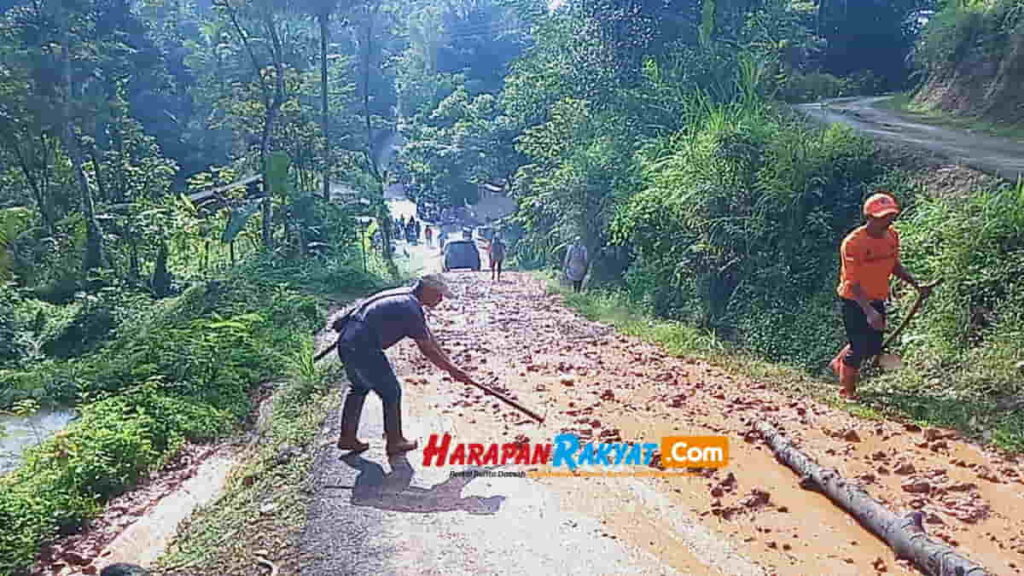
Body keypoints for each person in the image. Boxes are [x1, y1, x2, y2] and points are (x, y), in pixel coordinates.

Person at [334, 275, 474, 454]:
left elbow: (429, 337)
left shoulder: (404, 297)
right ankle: (395, 441)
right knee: (391, 392)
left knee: (359, 387)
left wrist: (452, 366)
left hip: (347, 342)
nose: (441, 300)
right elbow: (427, 350)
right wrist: (452, 371)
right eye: (439, 295)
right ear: (428, 290)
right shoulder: (410, 308)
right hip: (364, 347)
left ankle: (347, 438)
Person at [829, 192, 931, 400]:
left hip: (877, 297)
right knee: (858, 348)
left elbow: (893, 264)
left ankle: (838, 363)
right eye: (882, 216)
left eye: (890, 216)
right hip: (854, 300)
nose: (887, 220)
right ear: (869, 217)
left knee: (872, 347)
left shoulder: (892, 236)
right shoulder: (853, 243)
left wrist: (915, 284)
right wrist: (869, 312)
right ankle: (847, 391)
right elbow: (852, 283)